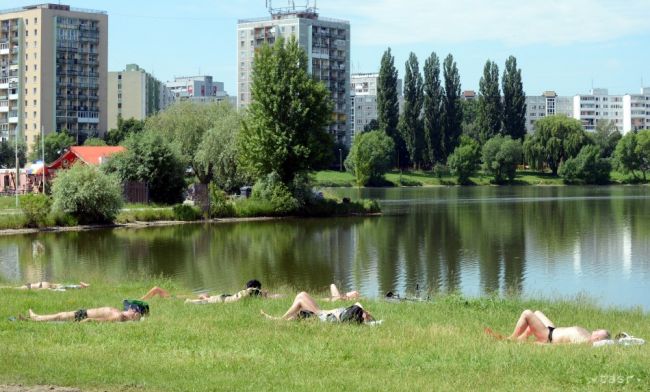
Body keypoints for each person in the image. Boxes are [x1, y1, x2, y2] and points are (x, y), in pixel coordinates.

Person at [485, 309, 610, 345]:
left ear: (598, 338)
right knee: (537, 313)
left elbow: (564, 348)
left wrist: (544, 346)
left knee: (527, 314)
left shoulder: (584, 341)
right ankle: (520, 339)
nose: (596, 329)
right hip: (552, 330)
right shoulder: (587, 335)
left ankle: (510, 340)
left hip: (548, 337)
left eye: (599, 331)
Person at [261, 291, 375, 324]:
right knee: (302, 295)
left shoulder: (350, 315)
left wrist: (365, 316)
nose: (367, 313)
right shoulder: (352, 310)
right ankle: (280, 320)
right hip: (322, 312)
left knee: (301, 298)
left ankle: (279, 320)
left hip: (321, 314)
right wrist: (365, 313)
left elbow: (359, 306)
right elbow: (359, 304)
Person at [140, 279, 282, 304]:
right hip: (200, 299)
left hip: (206, 298)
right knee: (157, 289)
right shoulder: (250, 292)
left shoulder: (242, 294)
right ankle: (142, 299)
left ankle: (143, 298)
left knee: (159, 291)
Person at [26, 306, 142, 323]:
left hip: (85, 316)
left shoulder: (119, 316)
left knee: (60, 316)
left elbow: (105, 320)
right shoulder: (120, 313)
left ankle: (36, 318)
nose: (131, 308)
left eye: (133, 310)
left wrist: (89, 320)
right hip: (85, 312)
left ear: (132, 315)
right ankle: (37, 317)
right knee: (61, 314)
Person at [16, 281, 90, 291]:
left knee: (63, 286)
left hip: (46, 285)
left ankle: (80, 286)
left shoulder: (27, 286)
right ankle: (80, 287)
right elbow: (39, 290)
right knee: (63, 288)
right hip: (44, 286)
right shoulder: (25, 287)